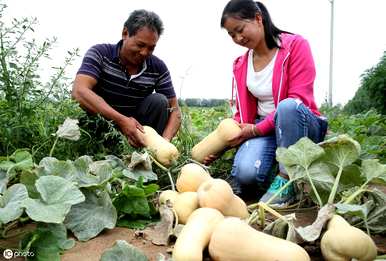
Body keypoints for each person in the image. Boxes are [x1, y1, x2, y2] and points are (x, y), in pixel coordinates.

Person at [213, 0, 328, 207]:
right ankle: (274, 167)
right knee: (245, 175)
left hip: (299, 123)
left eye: (240, 30)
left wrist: (255, 130)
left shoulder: (296, 46)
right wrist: (221, 145)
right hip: (264, 129)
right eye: (231, 35)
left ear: (258, 18)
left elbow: (298, 98)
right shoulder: (240, 64)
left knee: (287, 106)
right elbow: (243, 113)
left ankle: (287, 179)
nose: (238, 38)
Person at [72, 9, 181, 148]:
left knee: (159, 101)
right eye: (140, 45)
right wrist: (121, 121)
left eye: (151, 48)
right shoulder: (100, 53)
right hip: (102, 125)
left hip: (136, 131)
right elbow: (79, 92)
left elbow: (175, 110)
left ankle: (148, 153)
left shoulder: (158, 68)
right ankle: (96, 149)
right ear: (125, 33)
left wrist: (165, 142)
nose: (144, 53)